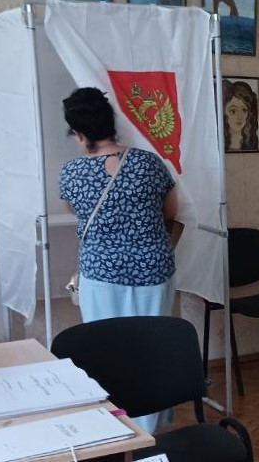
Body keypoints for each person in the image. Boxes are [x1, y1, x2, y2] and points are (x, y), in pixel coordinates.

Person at [59, 88, 178, 432]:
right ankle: (149, 430)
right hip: (152, 270)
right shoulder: (149, 163)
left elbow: (78, 213)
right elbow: (171, 211)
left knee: (105, 352)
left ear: (80, 134)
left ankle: (115, 429)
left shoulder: (71, 173)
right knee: (151, 349)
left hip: (101, 274)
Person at [223, 80, 259, 151]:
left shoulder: (251, 144)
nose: (240, 116)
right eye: (233, 111)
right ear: (223, 112)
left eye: (244, 110)